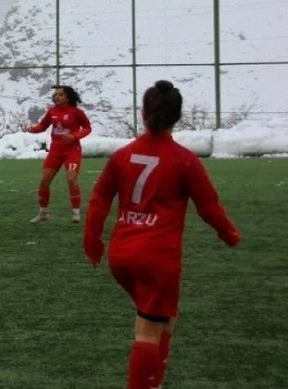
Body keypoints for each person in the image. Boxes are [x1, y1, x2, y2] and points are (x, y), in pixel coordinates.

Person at [83, 80, 240, 389]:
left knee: (163, 316)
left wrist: (92, 241)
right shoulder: (185, 160)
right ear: (177, 117)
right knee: (148, 330)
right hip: (157, 259)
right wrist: (230, 235)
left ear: (143, 113)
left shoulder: (123, 155)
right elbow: (208, 207)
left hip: (122, 255)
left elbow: (100, 199)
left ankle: (154, 381)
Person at [25, 85, 92, 224]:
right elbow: (42, 126)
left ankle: (76, 213)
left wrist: (75, 136)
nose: (57, 97)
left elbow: (87, 128)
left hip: (72, 151)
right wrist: (32, 129)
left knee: (71, 179)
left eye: (60, 94)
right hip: (55, 151)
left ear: (68, 97)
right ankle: (43, 213)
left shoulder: (76, 112)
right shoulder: (52, 111)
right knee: (44, 181)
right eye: (55, 94)